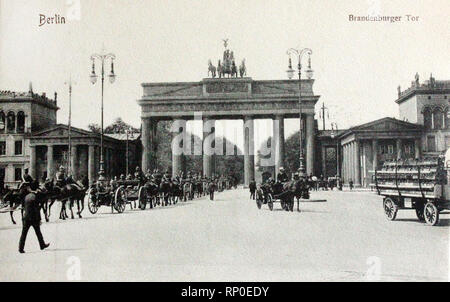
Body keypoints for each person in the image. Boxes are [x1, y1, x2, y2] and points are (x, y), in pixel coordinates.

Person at [18, 182, 50, 253]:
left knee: (24, 233)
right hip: (33, 219)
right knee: (38, 232)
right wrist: (39, 219)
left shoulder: (27, 196)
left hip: (26, 217)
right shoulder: (35, 197)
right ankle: (42, 245)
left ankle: (20, 248)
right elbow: (37, 209)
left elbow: (24, 207)